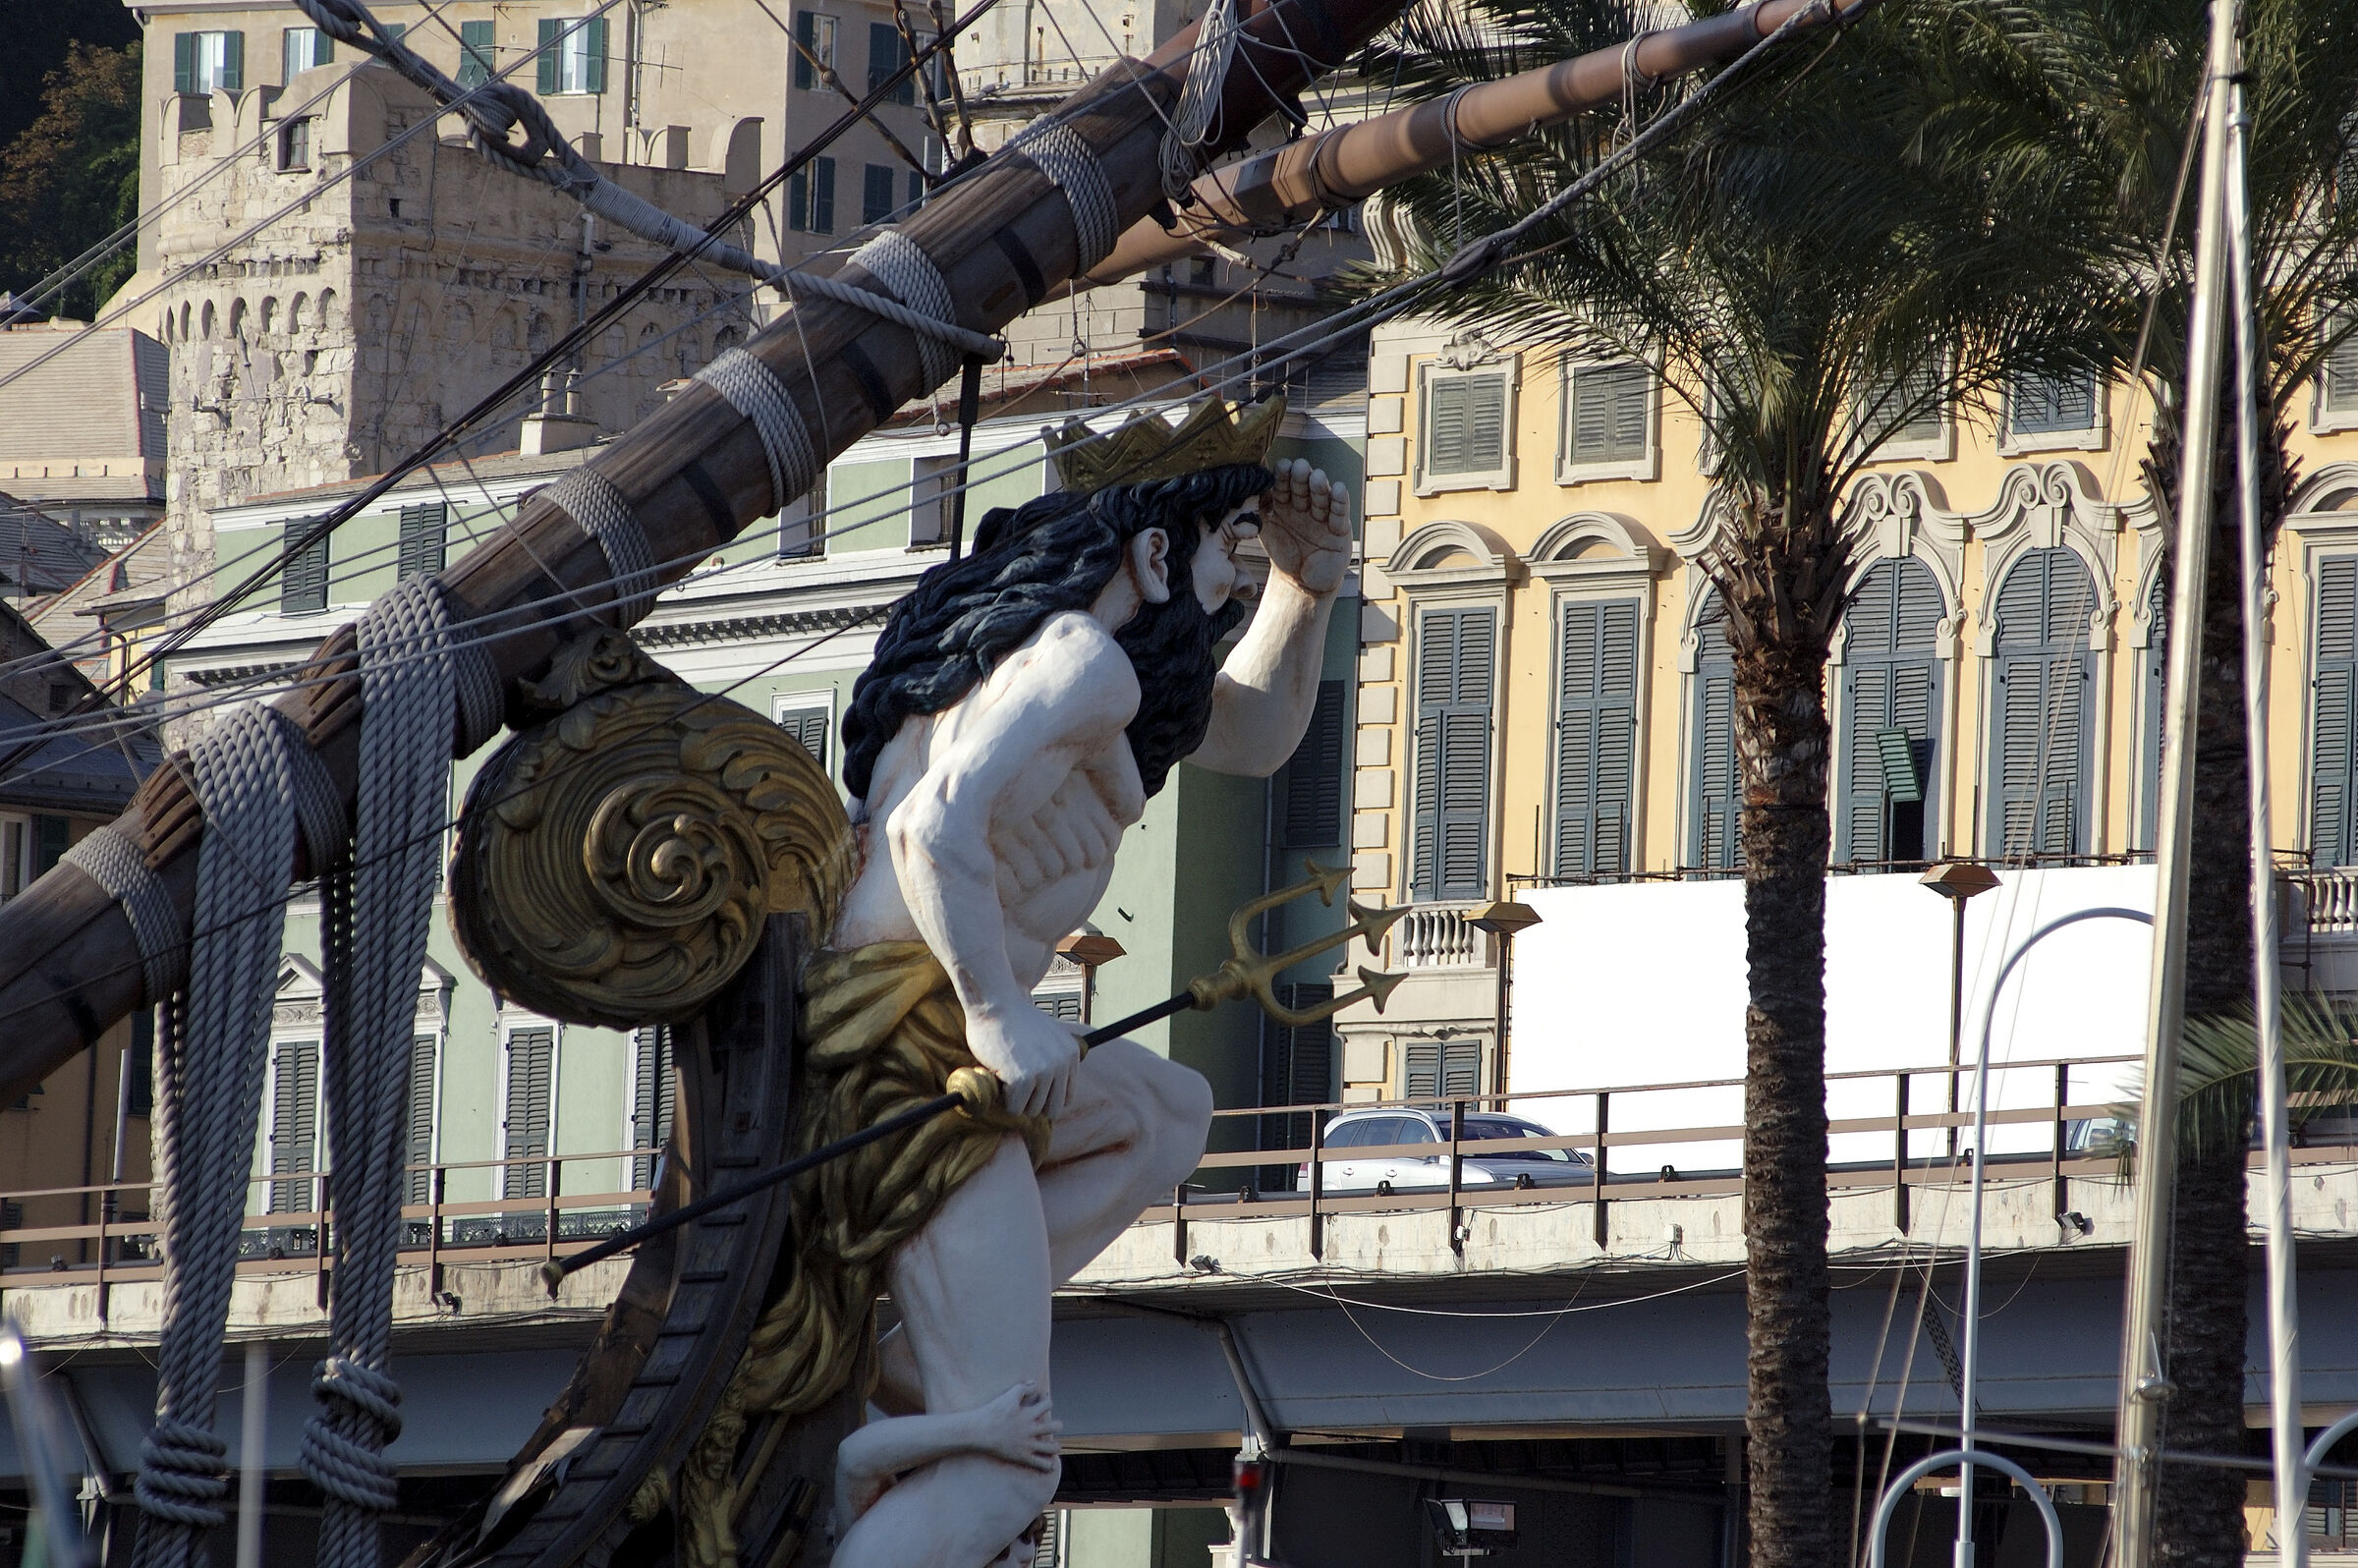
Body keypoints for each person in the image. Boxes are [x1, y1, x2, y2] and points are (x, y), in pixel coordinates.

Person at [808, 397, 1349, 1567]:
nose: (1229, 591)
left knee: (1167, 1111)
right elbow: (929, 832)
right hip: (913, 1050)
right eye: (1227, 557)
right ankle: (944, 1367)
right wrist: (1000, 1016)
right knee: (1009, 1464)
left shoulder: (1078, 668)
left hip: (923, 1030)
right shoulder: (1079, 661)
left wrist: (1303, 594)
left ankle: (916, 1360)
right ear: (1154, 555)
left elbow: (1252, 734)